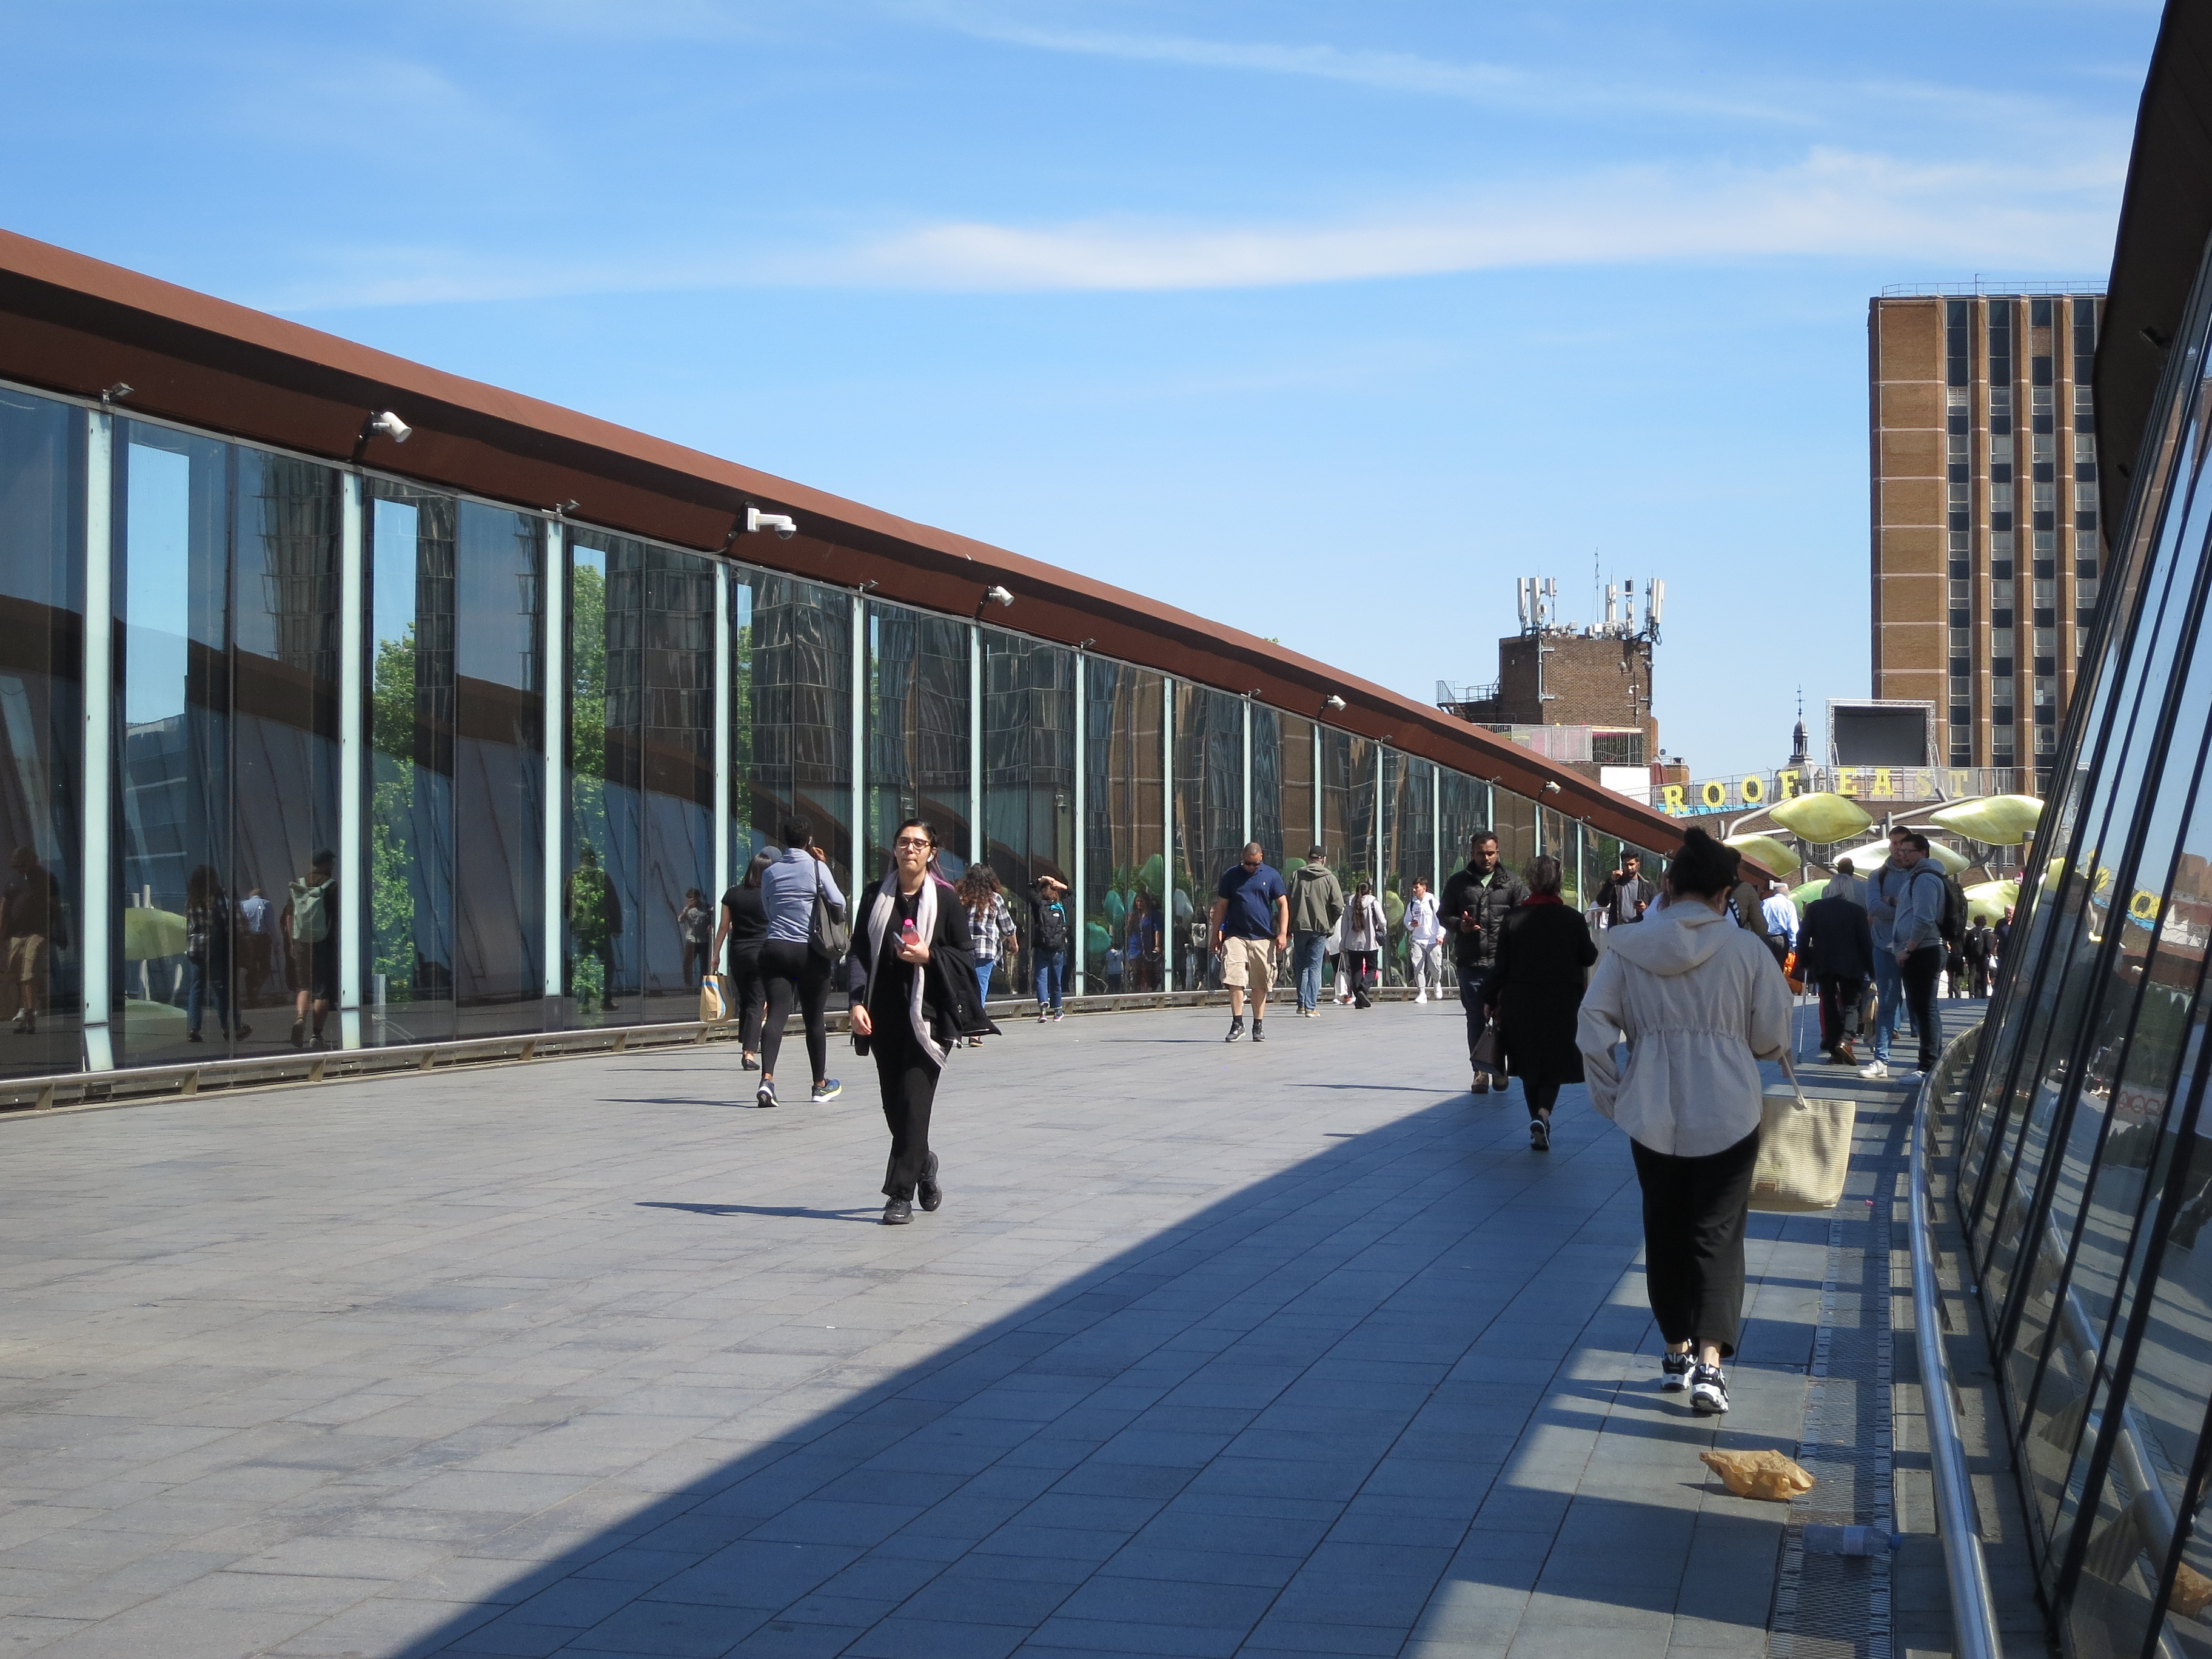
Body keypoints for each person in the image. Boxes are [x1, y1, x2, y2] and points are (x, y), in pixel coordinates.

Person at [1578, 828, 1792, 1418]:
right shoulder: (1747, 952)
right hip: (1729, 1109)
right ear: (1726, 894)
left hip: (1651, 1108)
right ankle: (1710, 1367)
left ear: (1667, 887)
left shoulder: (1627, 948)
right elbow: (1771, 1036)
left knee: (1665, 1228)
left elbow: (1593, 1023)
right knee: (1717, 1235)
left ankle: (1674, 1349)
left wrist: (1612, 1093)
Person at [848, 819, 997, 1225]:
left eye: (919, 843)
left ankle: (899, 1195)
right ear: (894, 849)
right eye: (903, 842)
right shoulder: (875, 896)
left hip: (929, 1016)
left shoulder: (946, 900)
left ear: (932, 851)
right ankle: (925, 1162)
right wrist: (856, 1001)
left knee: (915, 1104)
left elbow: (964, 957)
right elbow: (859, 950)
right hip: (883, 1016)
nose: (910, 849)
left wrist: (930, 957)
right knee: (895, 1108)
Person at [1484, 856, 1597, 1151]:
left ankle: (1536, 1118)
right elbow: (1589, 956)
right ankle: (1544, 1115)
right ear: (1558, 883)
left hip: (1520, 1001)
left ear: (1530, 882)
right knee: (1554, 1061)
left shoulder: (1513, 918)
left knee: (1528, 1061)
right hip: (1561, 1001)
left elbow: (1501, 966)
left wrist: (1489, 998)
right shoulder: (1572, 919)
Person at [757, 817, 845, 1108]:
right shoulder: (817, 868)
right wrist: (823, 867)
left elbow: (768, 910)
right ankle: (820, 1084)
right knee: (814, 1018)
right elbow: (839, 902)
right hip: (810, 952)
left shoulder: (771, 872)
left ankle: (767, 1080)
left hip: (775, 948)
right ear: (809, 839)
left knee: (776, 1015)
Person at [1441, 832, 1528, 1094]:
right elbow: (1444, 914)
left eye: (1490, 853)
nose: (1486, 858)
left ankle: (1499, 1068)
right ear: (1472, 853)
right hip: (1471, 961)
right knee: (1476, 1018)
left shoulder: (1511, 882)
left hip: (1504, 965)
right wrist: (1460, 926)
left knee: (1506, 1018)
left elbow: (1525, 914)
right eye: (1481, 853)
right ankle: (1480, 1072)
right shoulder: (1459, 883)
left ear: (1498, 852)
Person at [1212, 841, 1290, 1044]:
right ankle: (1237, 1023)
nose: (1251, 868)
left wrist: (1282, 933)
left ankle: (1258, 1024)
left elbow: (1283, 904)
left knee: (1260, 982)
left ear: (1261, 857)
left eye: (1254, 864)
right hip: (1235, 935)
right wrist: (1216, 935)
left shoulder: (1271, 875)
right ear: (1242, 858)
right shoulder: (1231, 876)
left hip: (1263, 937)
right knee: (1234, 978)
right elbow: (1221, 906)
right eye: (1247, 864)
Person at [1885, 833, 1948, 1079]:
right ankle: (1931, 1062)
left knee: (1924, 1009)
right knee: (1924, 1008)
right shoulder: (1918, 878)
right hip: (1921, 950)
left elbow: (1924, 917)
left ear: (1923, 853)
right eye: (1900, 851)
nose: (1902, 855)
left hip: (1923, 951)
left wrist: (1908, 948)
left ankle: (1927, 1066)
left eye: (1907, 851)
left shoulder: (1924, 879)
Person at [711, 850, 776, 1071]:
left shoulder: (733, 894)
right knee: (758, 1002)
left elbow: (723, 927)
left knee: (746, 1000)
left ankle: (744, 1039)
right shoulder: (770, 895)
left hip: (738, 954)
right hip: (762, 953)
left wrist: (715, 954)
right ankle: (749, 1053)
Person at [1861, 827, 1915, 1080]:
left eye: (1901, 843)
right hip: (1884, 946)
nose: (1897, 848)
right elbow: (1873, 907)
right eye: (1893, 843)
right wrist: (1904, 907)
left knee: (1923, 1006)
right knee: (1886, 1002)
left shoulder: (1920, 873)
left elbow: (1926, 911)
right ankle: (1881, 1060)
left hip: (1918, 947)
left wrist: (1890, 902)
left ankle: (1928, 1062)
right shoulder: (1878, 876)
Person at [1797, 885, 1874, 1065]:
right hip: (1850, 964)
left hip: (1823, 963)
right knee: (1851, 1005)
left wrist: (1805, 960)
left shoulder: (1815, 908)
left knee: (1829, 1004)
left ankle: (1834, 1049)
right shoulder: (1857, 910)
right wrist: (1872, 970)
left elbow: (1803, 935)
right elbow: (1865, 941)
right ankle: (1845, 1041)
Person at [183, 865, 248, 1045]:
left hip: (195, 949)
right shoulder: (217, 897)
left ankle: (194, 1029)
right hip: (214, 948)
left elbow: (189, 926)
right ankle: (228, 1028)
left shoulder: (192, 900)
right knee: (220, 989)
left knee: (197, 989)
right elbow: (226, 923)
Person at [281, 849, 339, 1050]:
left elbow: (289, 917)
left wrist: (292, 943)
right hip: (323, 942)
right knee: (322, 992)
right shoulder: (331, 886)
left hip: (301, 942)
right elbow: (336, 917)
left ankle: (299, 1018)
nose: (333, 867)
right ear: (325, 864)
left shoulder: (300, 885)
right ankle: (317, 1034)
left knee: (304, 986)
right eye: (331, 863)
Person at [956, 863, 1017, 1047]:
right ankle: (975, 1033)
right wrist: (1014, 943)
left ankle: (956, 1030)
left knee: (962, 989)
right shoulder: (995, 899)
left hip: (963, 950)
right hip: (986, 950)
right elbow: (1007, 925)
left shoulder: (961, 898)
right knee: (980, 990)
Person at [2, 846, 59, 1036]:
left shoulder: (46, 878)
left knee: (29, 970)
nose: (21, 868)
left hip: (38, 932)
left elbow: (55, 905)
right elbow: (4, 905)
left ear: (33, 860)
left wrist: (59, 930)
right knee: (16, 972)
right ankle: (24, 1009)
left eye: (23, 864)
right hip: (16, 933)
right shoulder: (13, 879)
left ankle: (30, 1014)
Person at [1287, 847, 1345, 1017]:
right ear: (1324, 859)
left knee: (1301, 966)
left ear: (1309, 859)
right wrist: (1330, 923)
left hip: (1299, 927)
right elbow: (1339, 905)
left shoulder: (1297, 875)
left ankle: (1301, 1004)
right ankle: (1311, 1007)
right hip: (1320, 929)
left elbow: (1288, 899)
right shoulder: (1329, 878)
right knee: (1314, 967)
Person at [566, 844, 622, 1012]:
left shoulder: (573, 877)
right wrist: (616, 926)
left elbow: (566, 902)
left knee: (582, 966)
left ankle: (583, 1003)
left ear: (581, 861)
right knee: (608, 965)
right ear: (594, 860)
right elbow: (613, 903)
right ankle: (605, 1000)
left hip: (581, 930)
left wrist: (573, 922)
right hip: (600, 929)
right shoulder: (602, 876)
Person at [1338, 879, 1386, 1009]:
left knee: (1356, 970)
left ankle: (1359, 1001)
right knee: (1372, 968)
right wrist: (1383, 931)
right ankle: (1363, 990)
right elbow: (1382, 921)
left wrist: (1343, 942)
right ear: (1369, 891)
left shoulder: (1349, 902)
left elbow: (1344, 925)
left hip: (1352, 943)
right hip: (1370, 943)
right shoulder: (1373, 902)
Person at [1030, 875, 1071, 1021]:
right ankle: (1058, 1011)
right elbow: (1073, 893)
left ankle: (1043, 1010)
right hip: (1058, 948)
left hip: (1041, 946)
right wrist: (1060, 884)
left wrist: (1039, 881)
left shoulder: (1039, 905)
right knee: (1057, 979)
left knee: (1041, 978)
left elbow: (1029, 890)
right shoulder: (1062, 907)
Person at [1404, 877, 1444, 1002]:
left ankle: (1437, 983)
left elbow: (1441, 920)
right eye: (1414, 888)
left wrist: (1440, 935)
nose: (1415, 890)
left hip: (1433, 940)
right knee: (1418, 967)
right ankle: (1422, 993)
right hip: (1417, 939)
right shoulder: (1412, 904)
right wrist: (1412, 925)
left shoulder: (1433, 902)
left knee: (1435, 967)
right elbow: (1407, 921)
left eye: (1417, 888)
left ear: (1424, 888)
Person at [1595, 852, 1654, 928]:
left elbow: (1656, 909)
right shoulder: (1616, 882)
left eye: (1632, 865)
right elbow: (1602, 902)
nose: (1629, 868)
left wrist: (1645, 909)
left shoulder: (1648, 884)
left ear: (1638, 865)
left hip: (1640, 928)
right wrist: (1612, 882)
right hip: (1618, 928)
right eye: (1626, 865)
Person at [237, 884, 273, 1006]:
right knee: (265, 966)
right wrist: (275, 941)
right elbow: (270, 924)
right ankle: (256, 988)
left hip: (246, 939)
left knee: (251, 966)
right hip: (262, 938)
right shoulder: (265, 904)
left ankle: (251, 994)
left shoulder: (243, 904)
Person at [677, 888, 712, 989]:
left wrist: (710, 925)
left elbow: (711, 917)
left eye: (693, 899)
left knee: (704, 964)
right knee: (687, 963)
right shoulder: (688, 909)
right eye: (690, 899)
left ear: (698, 898)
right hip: (691, 940)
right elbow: (680, 920)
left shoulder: (706, 907)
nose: (691, 901)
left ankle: (703, 985)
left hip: (703, 940)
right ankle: (688, 984)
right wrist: (687, 909)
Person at [1759, 880, 1798, 971]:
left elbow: (1759, 921)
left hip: (1766, 937)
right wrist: (1794, 943)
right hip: (1782, 939)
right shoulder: (1789, 904)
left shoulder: (1765, 902)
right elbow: (1792, 926)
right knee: (1779, 966)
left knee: (1765, 966)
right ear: (1787, 895)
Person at [1128, 891, 1161, 992]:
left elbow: (1157, 930)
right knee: (1135, 970)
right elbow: (1129, 931)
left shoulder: (1153, 915)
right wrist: (1129, 922)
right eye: (1137, 901)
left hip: (1148, 944)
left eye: (1141, 901)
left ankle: (1152, 988)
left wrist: (1157, 945)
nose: (1139, 904)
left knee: (1149, 969)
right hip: (1135, 944)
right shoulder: (1135, 915)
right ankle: (1135, 990)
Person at [1961, 916, 1994, 998]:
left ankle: (1972, 992)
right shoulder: (1986, 933)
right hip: (1983, 956)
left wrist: (1966, 956)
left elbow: (1966, 946)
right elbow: (1989, 946)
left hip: (1972, 957)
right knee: (1984, 974)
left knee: (1972, 974)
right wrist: (1989, 954)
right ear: (1984, 922)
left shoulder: (1971, 932)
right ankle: (1984, 993)